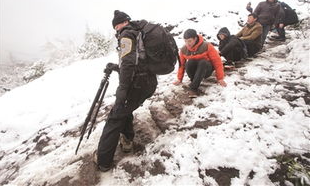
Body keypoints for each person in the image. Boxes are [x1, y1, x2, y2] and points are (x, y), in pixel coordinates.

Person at [95, 10, 158, 172]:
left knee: (115, 116)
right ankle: (128, 141)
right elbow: (137, 62)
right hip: (147, 82)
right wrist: (116, 67)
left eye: (116, 26)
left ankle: (103, 161)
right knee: (125, 110)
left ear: (123, 23)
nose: (116, 29)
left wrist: (122, 90)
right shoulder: (139, 32)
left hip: (138, 85)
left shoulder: (127, 35)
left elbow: (129, 64)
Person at [173, 29, 226, 98]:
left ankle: (193, 89)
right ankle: (195, 80)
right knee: (190, 62)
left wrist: (220, 78)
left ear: (195, 39)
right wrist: (179, 79)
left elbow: (217, 61)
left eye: (189, 41)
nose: (187, 44)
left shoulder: (207, 46)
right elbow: (181, 65)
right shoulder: (183, 50)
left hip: (206, 69)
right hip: (195, 71)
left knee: (202, 62)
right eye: (185, 41)